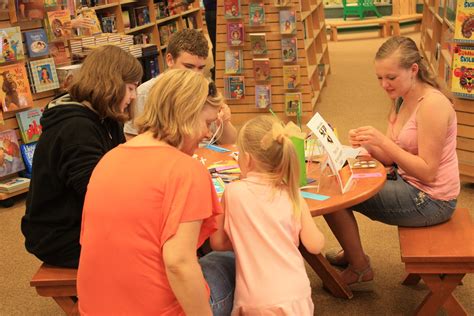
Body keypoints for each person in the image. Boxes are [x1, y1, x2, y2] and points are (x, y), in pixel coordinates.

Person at [77, 69, 235, 315]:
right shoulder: (187, 170)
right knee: (234, 263)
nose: (206, 133)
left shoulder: (109, 158)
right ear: (188, 114)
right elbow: (179, 263)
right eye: (206, 123)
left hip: (94, 307)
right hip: (158, 309)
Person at [323, 36, 460, 291]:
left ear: (413, 70)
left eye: (391, 77)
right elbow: (390, 158)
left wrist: (383, 143)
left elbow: (428, 172)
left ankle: (359, 266)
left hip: (432, 200)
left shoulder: (432, 106)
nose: (384, 84)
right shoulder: (401, 96)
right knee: (337, 176)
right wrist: (368, 144)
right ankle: (353, 254)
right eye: (379, 78)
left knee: (333, 194)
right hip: (409, 182)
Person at [21, 45, 143, 268]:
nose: (134, 96)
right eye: (130, 88)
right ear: (111, 85)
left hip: (81, 220)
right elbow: (98, 194)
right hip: (58, 235)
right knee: (149, 245)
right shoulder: (76, 128)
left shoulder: (106, 117)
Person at [210, 116, 325, 314]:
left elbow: (218, 243)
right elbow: (314, 245)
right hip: (295, 294)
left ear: (247, 159)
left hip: (255, 298)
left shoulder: (233, 192)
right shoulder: (293, 193)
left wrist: (247, 240)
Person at [124, 28, 237, 144]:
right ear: (170, 60)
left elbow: (230, 142)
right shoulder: (144, 94)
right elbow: (131, 140)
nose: (196, 74)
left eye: (201, 68)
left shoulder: (206, 89)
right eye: (189, 66)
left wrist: (225, 123)